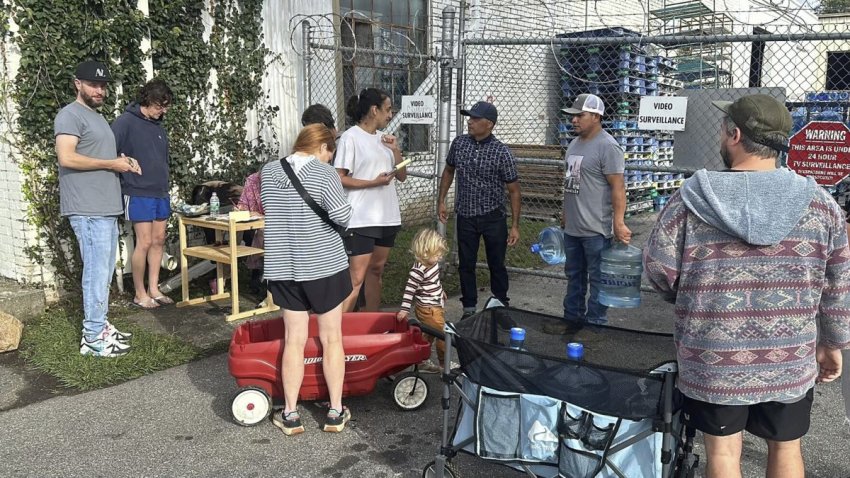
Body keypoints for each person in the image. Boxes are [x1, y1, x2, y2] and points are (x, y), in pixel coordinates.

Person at [644, 94, 850, 478]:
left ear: (734, 134)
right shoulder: (822, 205)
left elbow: (659, 270)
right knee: (787, 448)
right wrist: (833, 343)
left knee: (722, 455)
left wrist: (691, 294)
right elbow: (838, 283)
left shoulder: (690, 200)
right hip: (789, 356)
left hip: (713, 356)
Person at [261, 123, 353, 435]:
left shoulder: (269, 172)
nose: (330, 158)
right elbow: (342, 216)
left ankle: (289, 413)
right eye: (331, 153)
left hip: (284, 267)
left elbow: (271, 211)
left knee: (294, 340)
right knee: (331, 339)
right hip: (323, 265)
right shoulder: (326, 174)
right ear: (324, 148)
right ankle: (335, 411)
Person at [55, 60, 136, 357]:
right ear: (78, 83)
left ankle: (100, 326)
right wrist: (110, 163)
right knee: (96, 272)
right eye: (93, 84)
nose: (99, 90)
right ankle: (91, 337)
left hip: (103, 207)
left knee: (101, 272)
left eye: (102, 85)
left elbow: (98, 156)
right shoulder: (69, 115)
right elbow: (67, 158)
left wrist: (122, 161)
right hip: (88, 209)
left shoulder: (96, 117)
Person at [544, 93, 630, 335]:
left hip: (596, 229)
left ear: (596, 116)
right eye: (573, 116)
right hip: (573, 227)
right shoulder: (574, 144)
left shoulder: (607, 146)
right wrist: (565, 212)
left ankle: (595, 326)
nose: (574, 121)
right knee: (574, 276)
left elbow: (618, 188)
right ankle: (572, 319)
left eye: (579, 116)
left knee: (598, 279)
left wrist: (619, 222)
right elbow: (571, 183)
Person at [438, 101, 521, 319]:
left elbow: (514, 190)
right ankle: (469, 309)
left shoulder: (502, 152)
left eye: (475, 119)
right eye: (469, 117)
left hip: (493, 217)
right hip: (465, 215)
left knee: (496, 264)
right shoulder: (459, 144)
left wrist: (514, 225)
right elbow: (448, 171)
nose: (470, 122)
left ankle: (500, 305)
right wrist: (441, 200)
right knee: (466, 264)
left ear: (489, 124)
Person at [335, 88, 407, 312]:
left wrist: (395, 150)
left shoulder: (385, 139)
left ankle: (371, 325)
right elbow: (339, 178)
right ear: (374, 110)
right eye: (387, 110)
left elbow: (402, 175)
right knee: (356, 277)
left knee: (376, 270)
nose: (390, 115)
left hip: (387, 216)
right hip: (361, 218)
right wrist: (373, 183)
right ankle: (338, 331)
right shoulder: (350, 137)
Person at [112, 78, 174, 309]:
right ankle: (140, 293)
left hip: (160, 191)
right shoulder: (125, 122)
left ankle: (154, 289)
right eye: (160, 106)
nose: (163, 111)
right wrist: (122, 160)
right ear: (147, 100)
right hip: (137, 190)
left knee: (159, 240)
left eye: (166, 106)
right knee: (144, 241)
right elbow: (109, 151)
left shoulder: (158, 125)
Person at [396, 229, 449, 373]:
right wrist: (404, 309)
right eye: (437, 254)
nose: (439, 257)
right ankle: (444, 365)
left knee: (429, 334)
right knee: (444, 335)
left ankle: (421, 360)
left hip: (435, 306)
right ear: (425, 252)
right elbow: (409, 289)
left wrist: (440, 290)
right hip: (428, 309)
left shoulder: (433, 264)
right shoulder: (419, 269)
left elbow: (434, 281)